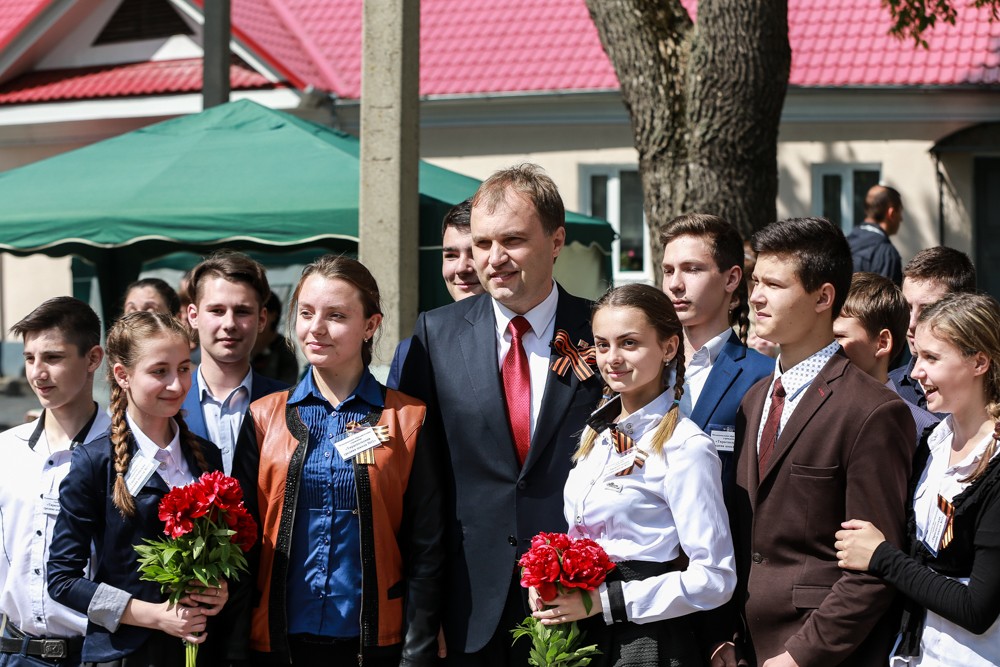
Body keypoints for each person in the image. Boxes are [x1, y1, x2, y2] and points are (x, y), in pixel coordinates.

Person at [396, 164, 605, 666]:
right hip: (468, 607)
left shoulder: (603, 332)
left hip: (580, 599)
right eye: (483, 243)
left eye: (512, 240)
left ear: (556, 241)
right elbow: (419, 485)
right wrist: (423, 613)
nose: (493, 259)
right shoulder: (435, 335)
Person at [233, 256, 442, 666]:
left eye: (336, 316)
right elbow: (242, 543)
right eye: (306, 313)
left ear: (370, 325)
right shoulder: (263, 416)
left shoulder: (409, 419)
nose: (316, 328)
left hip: (375, 641)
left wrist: (417, 650)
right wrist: (233, 647)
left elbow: (427, 546)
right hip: (277, 641)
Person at [732, 216, 915, 666]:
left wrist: (800, 656)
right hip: (742, 647)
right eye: (756, 281)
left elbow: (874, 566)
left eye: (774, 284)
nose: (756, 296)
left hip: (818, 652)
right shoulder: (753, 400)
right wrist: (723, 635)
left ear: (823, 297)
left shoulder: (872, 410)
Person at [530, 284, 735, 666]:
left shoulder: (686, 446)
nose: (612, 358)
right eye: (602, 344)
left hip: (645, 639)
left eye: (629, 343)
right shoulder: (595, 434)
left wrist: (607, 601)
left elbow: (715, 578)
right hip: (583, 633)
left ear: (669, 348)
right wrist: (551, 581)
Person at [47, 312, 229, 666]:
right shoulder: (94, 461)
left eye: (183, 368)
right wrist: (155, 615)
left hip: (198, 648)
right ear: (123, 375)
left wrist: (218, 589)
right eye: (159, 371)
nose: (176, 385)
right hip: (123, 654)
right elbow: (62, 580)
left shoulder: (206, 456)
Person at [835, 292, 1000, 666]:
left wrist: (881, 556)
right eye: (916, 356)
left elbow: (977, 609)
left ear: (979, 362)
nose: (914, 373)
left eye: (932, 358)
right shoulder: (933, 443)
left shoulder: (995, 467)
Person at [0, 297, 110, 666]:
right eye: (30, 358)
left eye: (53, 358)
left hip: (96, 654)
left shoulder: (125, 451)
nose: (37, 373)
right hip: (14, 651)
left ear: (93, 359)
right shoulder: (6, 449)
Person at [660, 214, 772, 492]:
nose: (675, 284)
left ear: (731, 278)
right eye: (668, 271)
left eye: (692, 269)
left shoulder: (763, 377)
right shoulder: (644, 365)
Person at [180, 251, 288, 475]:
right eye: (217, 311)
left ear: (261, 319)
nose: (229, 324)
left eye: (242, 312)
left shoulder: (289, 404)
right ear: (193, 316)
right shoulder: (169, 402)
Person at [386, 198, 483, 389]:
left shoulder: (532, 338)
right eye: (451, 256)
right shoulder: (414, 351)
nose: (461, 268)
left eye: (474, 253)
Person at [834, 272, 938, 441]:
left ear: (882, 343)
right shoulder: (810, 409)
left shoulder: (922, 432)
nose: (826, 347)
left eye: (838, 337)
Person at [888, 247, 976, 414]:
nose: (911, 323)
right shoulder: (889, 390)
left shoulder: (989, 395)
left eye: (928, 309)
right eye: (907, 307)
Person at [846, 185, 905, 285]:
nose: (901, 219)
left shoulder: (845, 243)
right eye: (900, 212)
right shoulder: (886, 253)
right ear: (891, 213)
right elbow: (886, 294)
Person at [250, 292, 300, 386]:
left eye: (261, 313)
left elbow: (287, 387)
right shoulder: (243, 343)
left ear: (273, 315)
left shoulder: (285, 348)